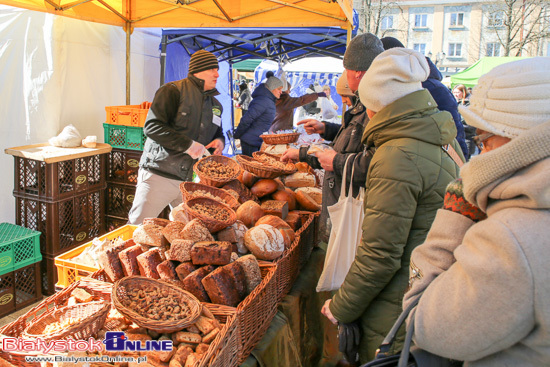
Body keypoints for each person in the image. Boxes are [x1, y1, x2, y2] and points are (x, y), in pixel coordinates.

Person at [403, 57, 550, 366]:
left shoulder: (513, 236)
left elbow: (425, 326)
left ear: (514, 139)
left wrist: (454, 219)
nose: (481, 153)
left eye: (482, 139)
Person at [321, 48, 462, 364]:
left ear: (378, 107)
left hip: (397, 310)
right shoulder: (439, 135)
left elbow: (380, 255)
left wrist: (341, 306)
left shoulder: (396, 156)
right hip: (427, 296)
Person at [281, 33, 384, 241]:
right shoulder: (364, 106)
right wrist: (325, 128)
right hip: (344, 201)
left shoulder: (376, 108)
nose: (345, 73)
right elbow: (350, 140)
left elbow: (375, 163)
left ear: (358, 72)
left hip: (353, 206)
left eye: (347, 69)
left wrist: (334, 161)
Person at [128, 50, 225, 224]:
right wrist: (188, 145)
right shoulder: (172, 91)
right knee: (138, 228)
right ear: (198, 69)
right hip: (159, 175)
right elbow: (152, 127)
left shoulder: (216, 105)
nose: (217, 74)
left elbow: (218, 132)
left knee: (186, 232)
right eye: (212, 69)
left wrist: (220, 141)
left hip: (189, 181)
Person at [380, 37, 469, 159]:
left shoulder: (434, 89)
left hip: (437, 165)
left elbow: (454, 134)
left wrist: (458, 166)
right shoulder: (403, 85)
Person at [234, 76, 283, 155]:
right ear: (272, 88)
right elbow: (246, 119)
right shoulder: (263, 101)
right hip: (250, 142)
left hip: (256, 141)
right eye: (279, 89)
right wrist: (237, 135)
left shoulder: (268, 100)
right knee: (249, 166)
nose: (281, 92)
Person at [453, 83, 477, 157]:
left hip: (467, 137)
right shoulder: (457, 102)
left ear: (463, 92)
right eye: (454, 92)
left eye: (458, 92)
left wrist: (457, 124)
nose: (456, 94)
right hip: (460, 136)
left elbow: (470, 122)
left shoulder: (470, 103)